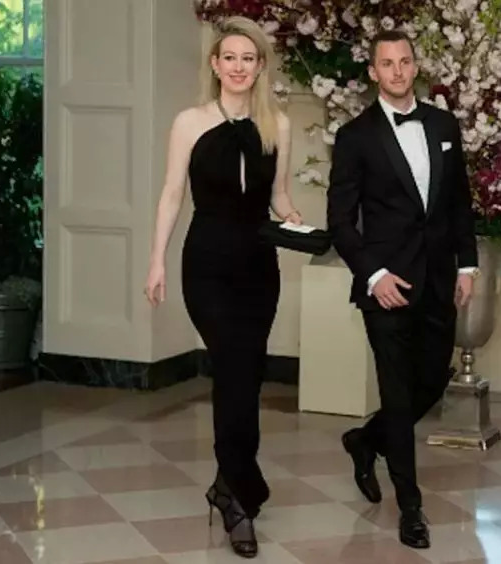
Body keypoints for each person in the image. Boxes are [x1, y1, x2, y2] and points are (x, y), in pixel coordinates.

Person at [144, 16, 302, 559]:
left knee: (246, 376)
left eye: (248, 59)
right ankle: (240, 500)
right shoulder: (189, 122)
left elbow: (279, 196)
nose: (238, 67)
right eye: (229, 57)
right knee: (233, 367)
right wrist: (156, 261)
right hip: (206, 264)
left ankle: (226, 485)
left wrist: (296, 219)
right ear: (215, 65)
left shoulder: (278, 125)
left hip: (259, 265)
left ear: (260, 68)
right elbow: (171, 194)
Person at [327, 29, 479, 549]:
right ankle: (411, 508)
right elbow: (340, 221)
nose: (397, 71)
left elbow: (459, 202)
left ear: (415, 66)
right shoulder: (355, 136)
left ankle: (364, 440)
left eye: (404, 61)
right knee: (395, 393)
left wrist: (467, 266)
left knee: (431, 382)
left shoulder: (443, 124)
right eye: (386, 63)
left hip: (438, 279)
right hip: (386, 286)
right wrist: (374, 275)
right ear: (373, 72)